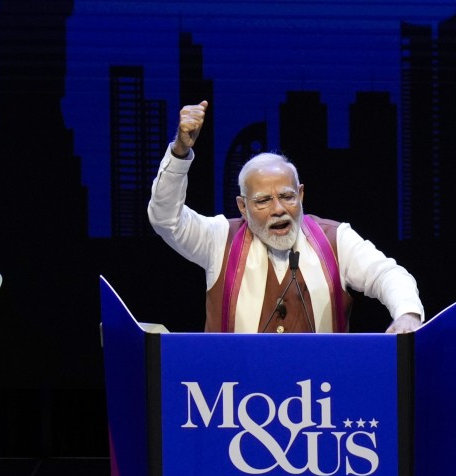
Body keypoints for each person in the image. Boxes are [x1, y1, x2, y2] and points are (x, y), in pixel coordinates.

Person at [147, 100, 424, 334]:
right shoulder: (219, 239)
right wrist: (180, 152)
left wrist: (407, 314)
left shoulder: (335, 240)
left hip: (320, 382)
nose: (278, 209)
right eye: (263, 200)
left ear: (301, 195)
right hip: (236, 382)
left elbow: (387, 274)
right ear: (242, 207)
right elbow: (166, 219)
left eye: (287, 196)